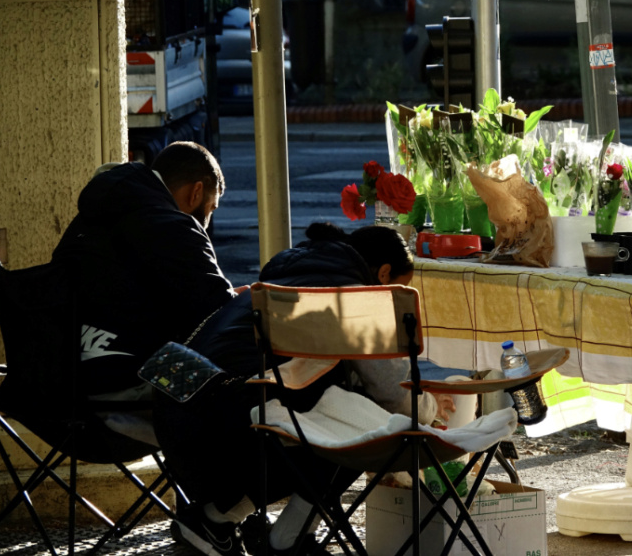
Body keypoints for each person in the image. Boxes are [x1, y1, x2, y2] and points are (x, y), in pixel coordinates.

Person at [155, 222, 454, 556]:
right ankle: (289, 539)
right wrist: (429, 409)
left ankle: (213, 522)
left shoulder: (280, 279)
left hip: (179, 429)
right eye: (399, 289)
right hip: (233, 436)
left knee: (316, 407)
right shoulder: (351, 296)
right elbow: (392, 394)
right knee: (359, 428)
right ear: (383, 274)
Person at [53, 141, 236, 400]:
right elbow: (218, 313)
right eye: (210, 208)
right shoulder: (175, 226)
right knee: (232, 390)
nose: (206, 222)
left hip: (63, 374)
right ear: (196, 192)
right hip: (126, 374)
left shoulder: (93, 217)